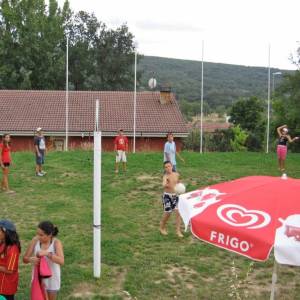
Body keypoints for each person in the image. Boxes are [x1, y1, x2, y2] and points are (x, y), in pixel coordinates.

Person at [23, 221, 64, 300]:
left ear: (50, 235)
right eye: (37, 234)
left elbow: (61, 261)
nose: (38, 237)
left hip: (52, 279)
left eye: (41, 235)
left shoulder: (56, 243)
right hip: (38, 279)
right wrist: (30, 259)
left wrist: (47, 254)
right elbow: (25, 259)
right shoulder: (35, 241)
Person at [159, 161, 183, 238]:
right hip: (167, 196)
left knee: (178, 213)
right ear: (164, 169)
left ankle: (178, 231)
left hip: (176, 196)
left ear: (172, 166)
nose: (168, 168)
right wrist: (166, 184)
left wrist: (181, 189)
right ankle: (162, 227)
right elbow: (163, 184)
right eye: (166, 167)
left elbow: (179, 183)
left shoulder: (177, 174)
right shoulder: (165, 176)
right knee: (168, 213)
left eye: (169, 166)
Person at [0, 219, 21, 300]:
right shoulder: (2, 243)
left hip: (6, 287)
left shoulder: (13, 249)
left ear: (6, 232)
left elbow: (10, 270)